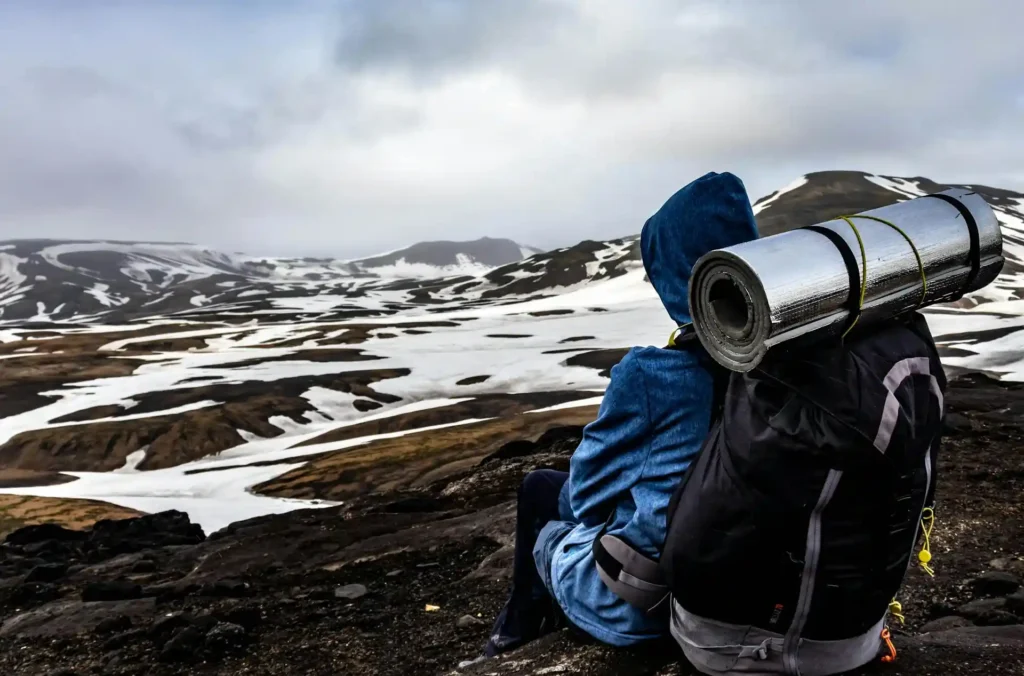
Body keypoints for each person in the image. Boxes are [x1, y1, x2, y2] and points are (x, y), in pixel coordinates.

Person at [467, 171, 761, 665]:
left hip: (650, 609)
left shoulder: (655, 374)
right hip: (749, 595)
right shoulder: (788, 362)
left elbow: (584, 496)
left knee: (543, 494)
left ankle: (511, 640)